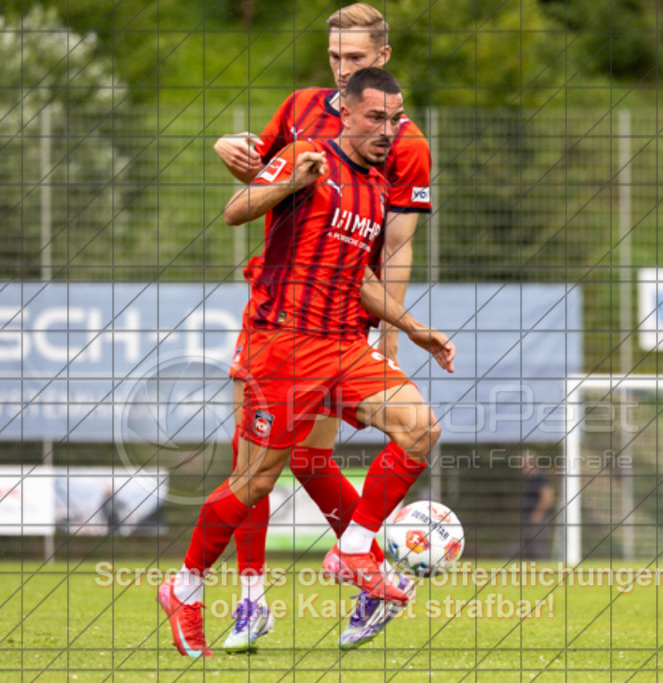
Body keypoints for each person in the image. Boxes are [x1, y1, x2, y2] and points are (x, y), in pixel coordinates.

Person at [157, 68, 455, 659]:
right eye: (376, 118)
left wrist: (416, 330)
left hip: (344, 345)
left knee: (420, 429)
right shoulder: (306, 154)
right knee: (255, 481)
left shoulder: (375, 186)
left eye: (396, 120)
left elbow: (362, 279)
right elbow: (236, 210)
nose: (388, 130)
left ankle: (355, 546)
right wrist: (287, 181)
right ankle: (184, 588)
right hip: (283, 345)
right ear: (344, 113)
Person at [213, 2, 432, 653]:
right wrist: (235, 154)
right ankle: (252, 602)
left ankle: (368, 567)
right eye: (335, 57)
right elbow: (268, 182)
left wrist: (390, 328)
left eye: (356, 59)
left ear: (383, 60)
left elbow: (395, 244)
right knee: (246, 456)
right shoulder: (300, 107)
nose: (342, 70)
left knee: (308, 457)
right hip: (270, 306)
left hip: (341, 317)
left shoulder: (407, 143)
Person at [518, 451, 556, 560]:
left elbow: (548, 495)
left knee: (539, 549)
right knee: (529, 549)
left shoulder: (539, 478)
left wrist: (537, 514)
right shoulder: (532, 479)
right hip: (532, 519)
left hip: (538, 520)